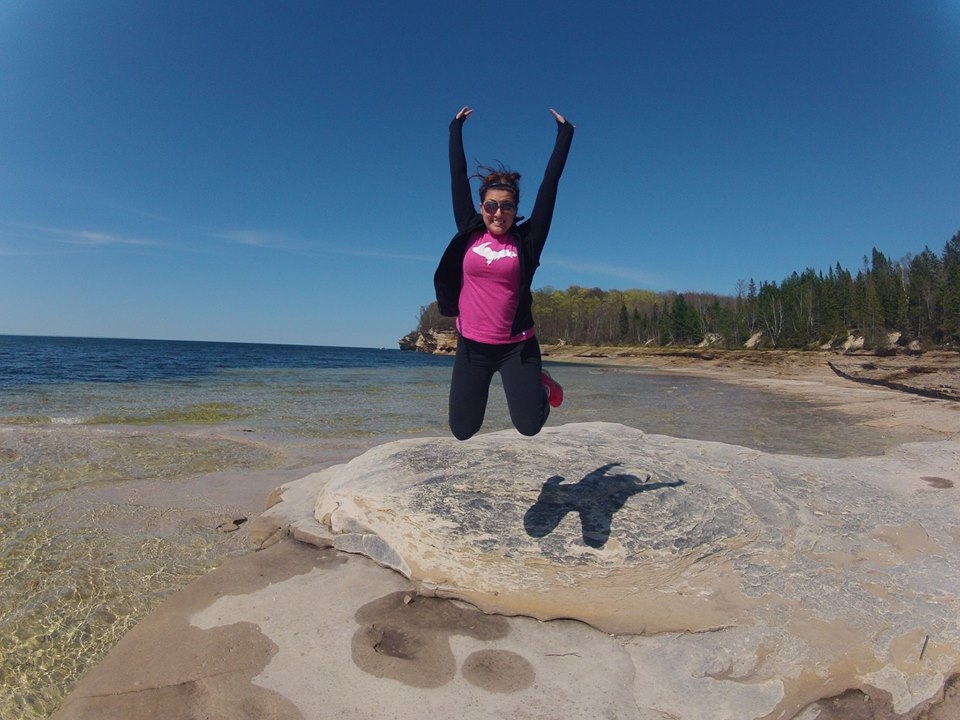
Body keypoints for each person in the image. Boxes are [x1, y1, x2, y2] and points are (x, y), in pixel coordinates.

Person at [434, 106, 575, 440]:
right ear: (482, 207)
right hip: (472, 346)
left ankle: (542, 383)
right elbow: (457, 176)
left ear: (516, 209)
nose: (498, 212)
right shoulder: (469, 232)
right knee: (463, 430)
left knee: (528, 426)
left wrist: (565, 134)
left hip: (517, 347)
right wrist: (455, 129)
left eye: (507, 206)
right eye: (491, 206)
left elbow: (549, 186)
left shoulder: (527, 242)